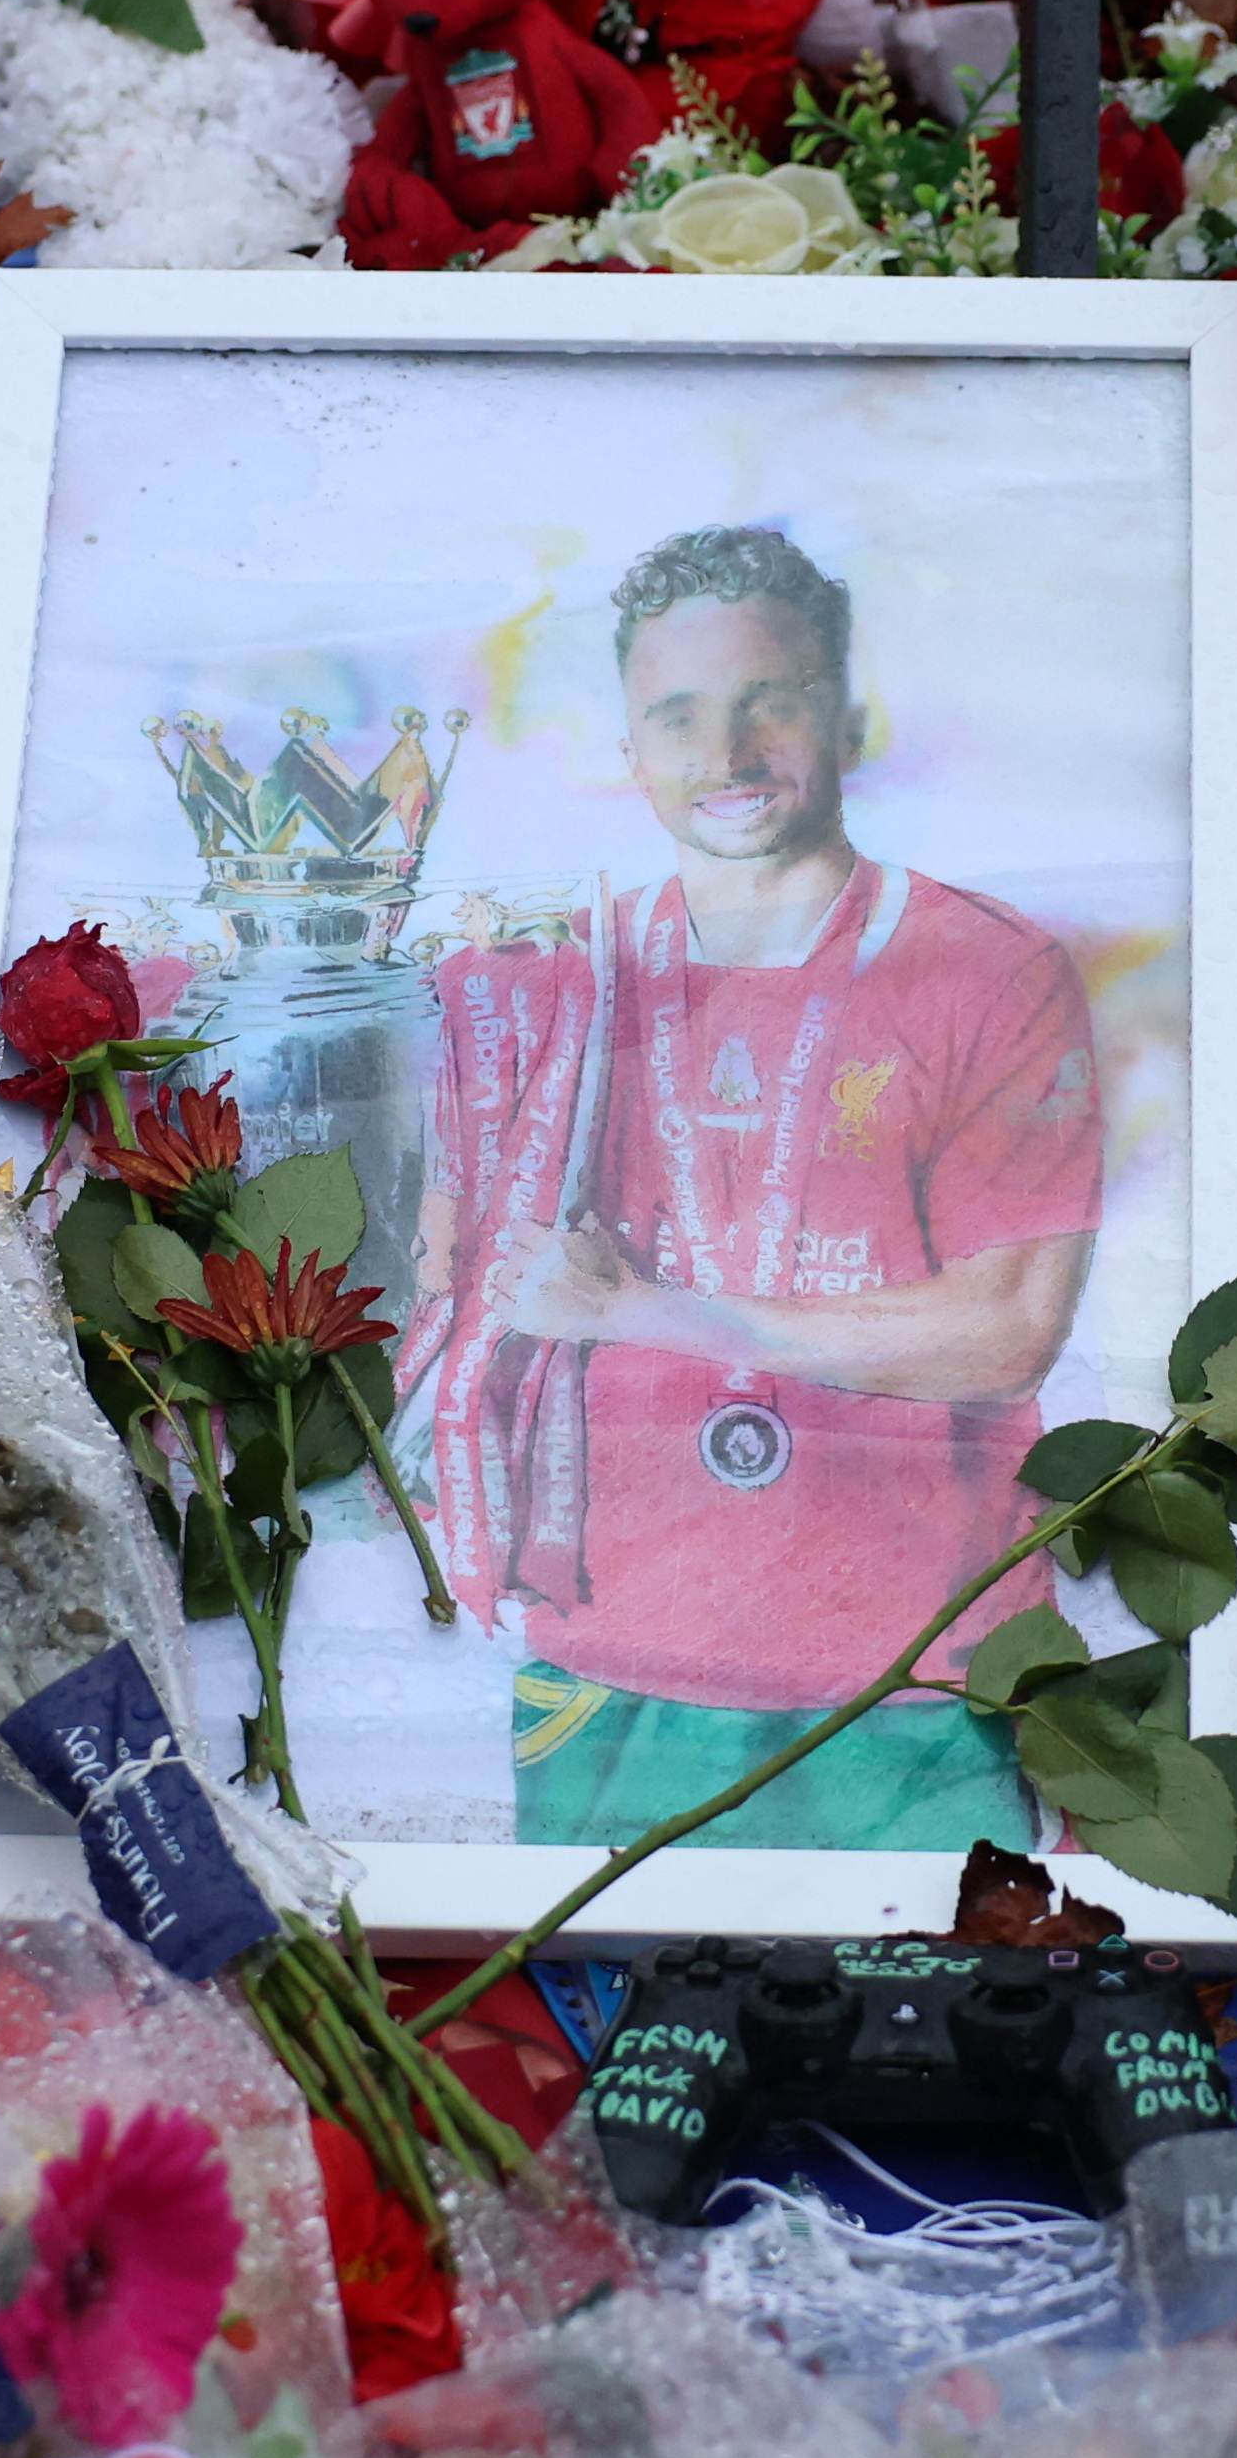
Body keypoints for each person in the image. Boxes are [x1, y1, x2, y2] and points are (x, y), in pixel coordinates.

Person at [408, 525, 1103, 1856]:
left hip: (919, 1669)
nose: (723, 756)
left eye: (764, 703)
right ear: (628, 746)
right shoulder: (550, 985)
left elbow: (1009, 1327)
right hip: (611, 1665)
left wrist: (657, 1314)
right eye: (677, 716)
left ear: (845, 712)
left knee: (951, 2040)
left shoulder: (990, 969)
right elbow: (455, 1299)